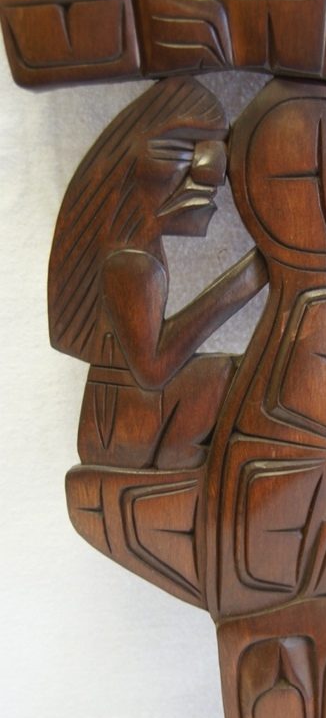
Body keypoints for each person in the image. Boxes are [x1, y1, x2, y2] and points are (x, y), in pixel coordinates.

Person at [48, 77, 267, 469]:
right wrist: (248, 279)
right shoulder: (132, 264)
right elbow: (152, 370)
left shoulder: (138, 253)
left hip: (115, 420)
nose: (212, 172)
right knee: (218, 371)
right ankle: (179, 453)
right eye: (181, 151)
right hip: (119, 431)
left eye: (215, 153)